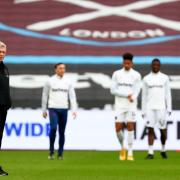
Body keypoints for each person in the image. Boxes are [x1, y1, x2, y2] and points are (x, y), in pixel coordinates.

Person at [42, 63, 77, 160]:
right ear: (55, 69)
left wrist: (74, 109)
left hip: (64, 109)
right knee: (53, 128)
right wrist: (44, 109)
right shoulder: (50, 81)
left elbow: (72, 96)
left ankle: (60, 153)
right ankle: (51, 151)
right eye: (60, 68)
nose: (62, 70)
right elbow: (45, 95)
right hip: (53, 108)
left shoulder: (68, 81)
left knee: (62, 132)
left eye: (64, 68)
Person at [110, 53, 141, 161]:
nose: (127, 65)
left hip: (131, 105)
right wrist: (126, 95)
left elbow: (137, 90)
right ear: (122, 63)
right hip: (119, 105)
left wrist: (134, 96)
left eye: (129, 63)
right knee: (118, 128)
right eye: (125, 63)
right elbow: (112, 90)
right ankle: (123, 147)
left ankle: (131, 151)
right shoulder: (116, 74)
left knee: (130, 126)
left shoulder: (136, 75)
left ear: (132, 63)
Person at [142, 59, 172, 159]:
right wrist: (143, 110)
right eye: (154, 65)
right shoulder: (146, 78)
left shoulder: (165, 78)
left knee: (163, 130)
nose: (155, 66)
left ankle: (163, 149)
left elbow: (168, 94)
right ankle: (150, 153)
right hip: (150, 107)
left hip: (161, 108)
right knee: (150, 129)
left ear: (160, 66)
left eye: (157, 65)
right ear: (151, 66)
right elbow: (144, 96)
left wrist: (169, 107)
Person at [0, 41, 11, 176]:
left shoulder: (4, 68)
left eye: (3, 52)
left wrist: (8, 103)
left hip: (2, 108)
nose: (2, 54)